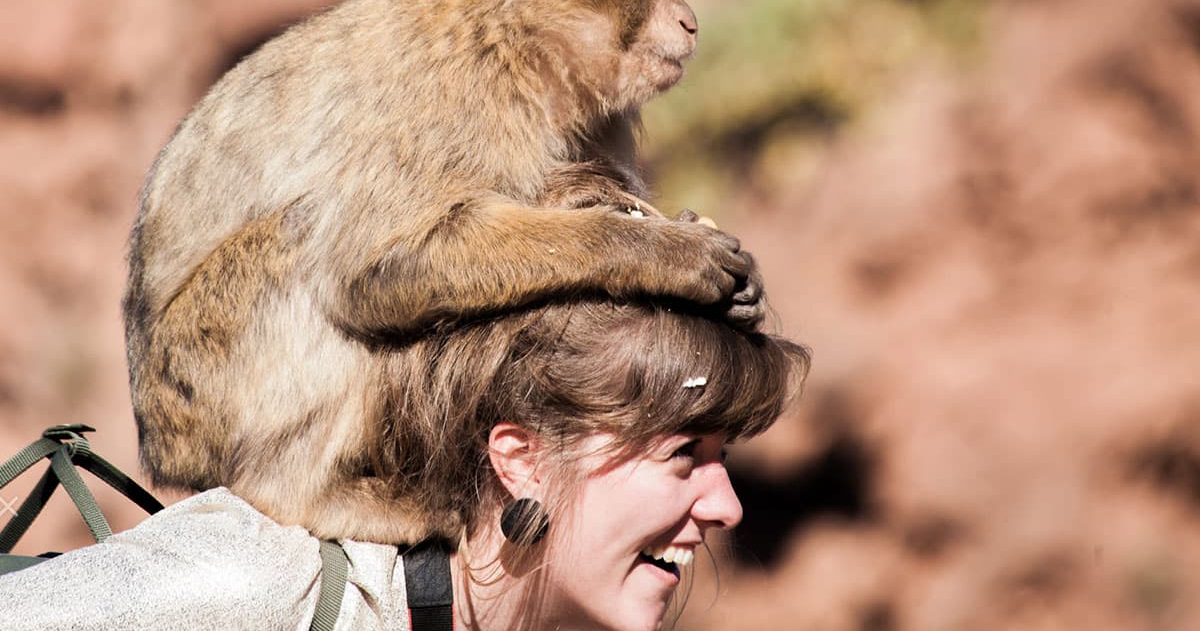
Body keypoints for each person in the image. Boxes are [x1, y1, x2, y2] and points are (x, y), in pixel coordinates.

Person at [0, 298, 808, 630]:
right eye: (683, 455)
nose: (728, 505)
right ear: (521, 458)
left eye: (724, 458)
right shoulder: (259, 590)